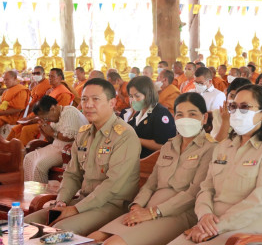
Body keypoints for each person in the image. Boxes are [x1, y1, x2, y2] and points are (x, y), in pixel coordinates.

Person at [88, 92, 216, 245]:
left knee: (114, 243)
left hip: (178, 214)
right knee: (93, 238)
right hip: (147, 208)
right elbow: (151, 184)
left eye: (192, 114)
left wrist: (153, 212)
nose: (185, 119)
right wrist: (137, 206)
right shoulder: (169, 146)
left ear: (205, 118)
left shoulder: (211, 148)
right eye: (180, 114)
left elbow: (193, 194)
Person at [169, 84, 262, 245]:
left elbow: (260, 201)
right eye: (233, 106)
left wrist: (216, 228)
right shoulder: (223, 146)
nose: (237, 112)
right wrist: (204, 216)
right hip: (210, 222)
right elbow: (206, 188)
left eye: (245, 107)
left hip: (252, 227)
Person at [24, 78, 141, 236]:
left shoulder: (124, 135)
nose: (88, 104)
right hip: (82, 200)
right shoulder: (84, 133)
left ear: (112, 103)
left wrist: (75, 209)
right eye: (84, 99)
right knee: (24, 225)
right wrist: (62, 201)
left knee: (56, 233)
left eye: (95, 99)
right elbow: (73, 174)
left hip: (111, 205)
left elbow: (112, 186)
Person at [23, 96, 88, 183]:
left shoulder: (69, 112)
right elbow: (51, 140)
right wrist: (44, 131)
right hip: (56, 147)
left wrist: (51, 132)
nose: (46, 120)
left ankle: (41, 194)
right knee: (28, 158)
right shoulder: (55, 117)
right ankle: (30, 190)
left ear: (53, 108)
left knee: (40, 165)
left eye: (45, 118)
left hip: (69, 149)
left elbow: (70, 137)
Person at [127, 76, 176, 158]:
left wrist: (136, 140)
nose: (133, 100)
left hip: (150, 161)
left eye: (137, 96)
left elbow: (163, 145)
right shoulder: (139, 112)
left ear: (148, 94)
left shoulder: (160, 113)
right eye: (131, 96)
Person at [210, 78, 252, 142]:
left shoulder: (251, 115)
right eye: (232, 96)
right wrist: (225, 121)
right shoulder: (218, 113)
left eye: (240, 97)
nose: (235, 101)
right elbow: (216, 143)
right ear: (227, 95)